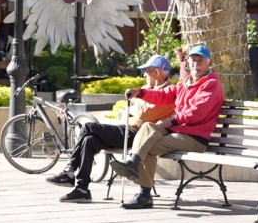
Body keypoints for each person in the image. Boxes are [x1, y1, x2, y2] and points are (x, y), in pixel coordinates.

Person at [46, 54, 176, 202]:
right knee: (89, 139)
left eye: (146, 71)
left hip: (139, 136)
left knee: (88, 127)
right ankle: (82, 189)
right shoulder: (145, 89)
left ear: (157, 73)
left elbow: (144, 114)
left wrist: (133, 108)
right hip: (126, 130)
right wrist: (133, 109)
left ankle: (69, 171)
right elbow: (121, 112)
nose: (144, 75)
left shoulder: (169, 92)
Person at [110, 44, 225, 209]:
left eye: (200, 61)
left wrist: (171, 121)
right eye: (193, 61)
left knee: (147, 144)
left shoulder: (211, 84)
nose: (196, 65)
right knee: (148, 128)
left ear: (209, 62)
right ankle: (132, 165)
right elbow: (165, 95)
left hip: (195, 137)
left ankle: (143, 193)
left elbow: (197, 113)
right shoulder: (186, 82)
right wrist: (140, 93)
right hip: (179, 131)